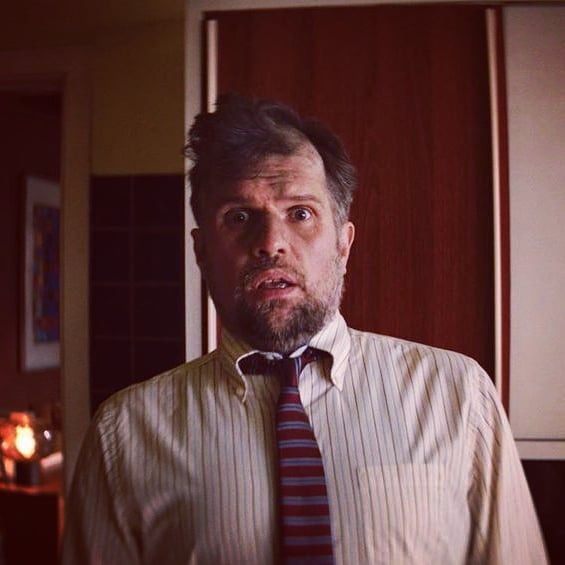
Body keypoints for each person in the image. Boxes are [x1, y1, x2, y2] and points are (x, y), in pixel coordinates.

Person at [63, 93, 546, 564]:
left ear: (343, 244)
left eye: (300, 213)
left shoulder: (459, 396)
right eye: (239, 217)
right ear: (201, 252)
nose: (271, 243)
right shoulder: (124, 435)